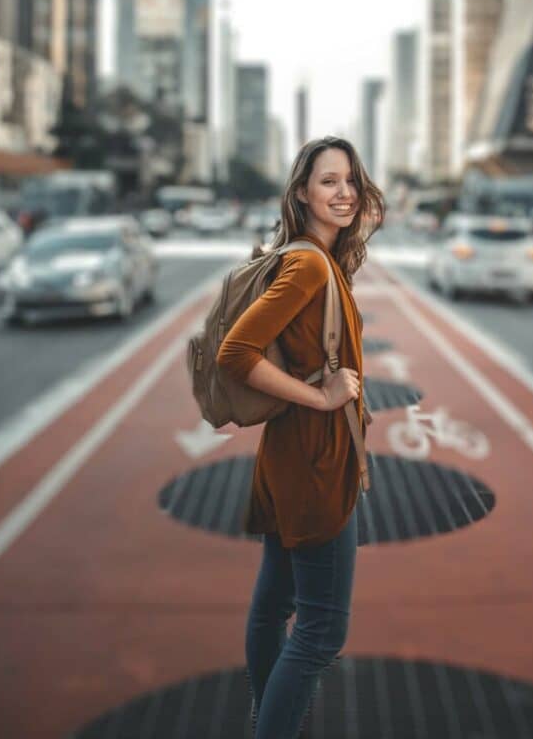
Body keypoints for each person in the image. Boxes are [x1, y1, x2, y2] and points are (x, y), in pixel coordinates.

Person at [217, 136, 385, 738]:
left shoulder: (316, 258)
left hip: (290, 457)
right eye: (328, 182)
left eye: (350, 181)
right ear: (302, 194)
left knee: (273, 610)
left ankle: (267, 720)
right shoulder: (310, 262)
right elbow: (237, 352)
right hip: (317, 462)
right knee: (320, 633)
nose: (343, 194)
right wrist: (322, 396)